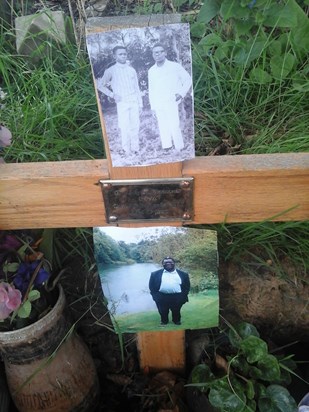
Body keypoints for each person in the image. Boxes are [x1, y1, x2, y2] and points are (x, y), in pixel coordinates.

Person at [97, 46, 142, 155]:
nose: (123, 56)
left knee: (135, 125)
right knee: (124, 126)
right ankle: (126, 149)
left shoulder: (131, 70)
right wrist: (112, 95)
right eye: (120, 54)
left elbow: (137, 88)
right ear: (115, 56)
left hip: (134, 101)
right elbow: (100, 85)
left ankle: (135, 149)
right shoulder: (111, 70)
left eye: (125, 54)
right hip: (122, 102)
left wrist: (140, 104)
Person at [148, 43, 192, 152]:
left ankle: (179, 147)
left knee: (174, 124)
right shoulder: (151, 70)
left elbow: (188, 79)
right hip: (158, 102)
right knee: (162, 125)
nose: (157, 54)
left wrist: (181, 93)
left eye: (160, 52)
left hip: (171, 100)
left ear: (165, 53)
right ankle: (167, 147)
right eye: (155, 52)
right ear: (153, 55)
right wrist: (153, 106)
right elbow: (151, 89)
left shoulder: (174, 66)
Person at [149, 257, 190, 325]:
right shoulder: (155, 274)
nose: (168, 263)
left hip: (177, 297)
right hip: (162, 296)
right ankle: (164, 321)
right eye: (166, 262)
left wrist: (183, 296)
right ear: (163, 264)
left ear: (174, 263)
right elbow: (151, 286)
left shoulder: (183, 274)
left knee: (176, 310)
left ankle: (176, 321)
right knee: (163, 311)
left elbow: (187, 286)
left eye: (170, 262)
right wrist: (155, 296)